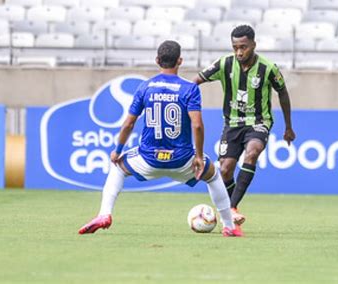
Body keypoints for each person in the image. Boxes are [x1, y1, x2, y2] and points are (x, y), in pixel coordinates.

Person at [79, 40, 242, 237]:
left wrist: (118, 150)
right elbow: (197, 125)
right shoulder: (189, 89)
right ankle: (228, 226)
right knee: (214, 175)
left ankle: (104, 214)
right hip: (182, 160)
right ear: (180, 61)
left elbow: (128, 124)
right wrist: (198, 156)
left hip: (148, 158)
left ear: (157, 60)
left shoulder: (145, 87)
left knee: (117, 167)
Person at [193, 25, 296, 229]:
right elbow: (196, 81)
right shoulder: (225, 64)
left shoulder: (268, 68)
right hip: (232, 123)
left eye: (244, 47)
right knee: (225, 170)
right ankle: (234, 213)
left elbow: (283, 93)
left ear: (253, 45)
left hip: (259, 122)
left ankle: (231, 208)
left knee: (252, 152)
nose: (239, 52)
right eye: (235, 47)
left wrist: (288, 127)